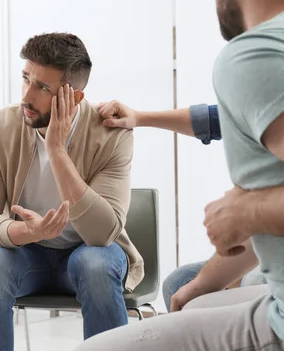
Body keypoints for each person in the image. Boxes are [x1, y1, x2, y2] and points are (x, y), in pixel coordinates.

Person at [77, 0, 284, 349]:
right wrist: (141, 117)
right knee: (192, 299)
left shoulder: (257, 54)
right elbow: (225, 122)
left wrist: (248, 211)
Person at [0, 32, 144, 351]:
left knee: (96, 264)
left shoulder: (112, 134)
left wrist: (57, 150)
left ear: (73, 98)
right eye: (25, 79)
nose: (26, 96)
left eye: (42, 87)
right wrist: (23, 231)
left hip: (87, 250)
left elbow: (103, 234)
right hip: (26, 253)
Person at [97, 100, 266, 311]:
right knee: (178, 282)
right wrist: (139, 117)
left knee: (255, 283)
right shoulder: (259, 111)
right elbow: (214, 119)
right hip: (261, 242)